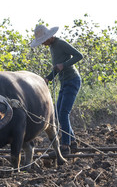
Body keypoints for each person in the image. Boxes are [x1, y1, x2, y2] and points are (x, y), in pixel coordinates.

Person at [30, 24, 83, 156]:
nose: (43, 44)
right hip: (64, 81)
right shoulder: (52, 46)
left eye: (43, 41)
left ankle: (65, 146)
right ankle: (72, 141)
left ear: (49, 37)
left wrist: (64, 65)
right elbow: (57, 68)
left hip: (72, 80)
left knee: (64, 113)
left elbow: (78, 55)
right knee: (59, 113)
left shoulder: (60, 43)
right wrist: (48, 79)